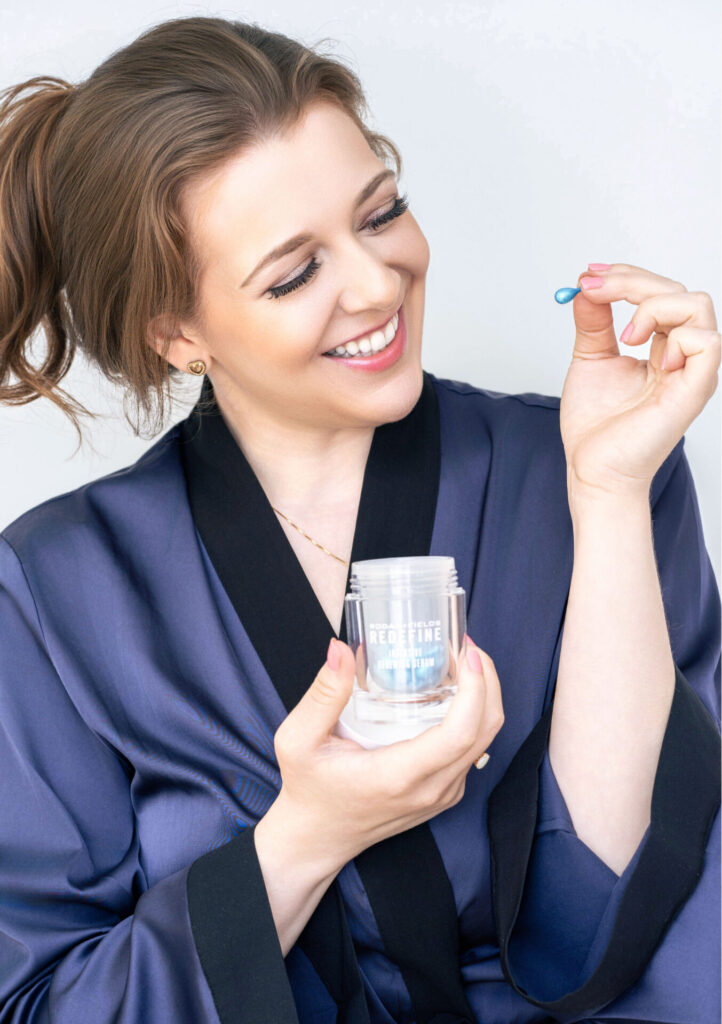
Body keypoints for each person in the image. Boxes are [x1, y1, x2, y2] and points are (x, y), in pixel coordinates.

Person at [0, 15, 719, 1024]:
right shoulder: (55, 589)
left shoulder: (586, 467)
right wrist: (305, 836)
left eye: (379, 214)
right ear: (177, 333)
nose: (378, 283)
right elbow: (44, 1003)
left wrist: (605, 496)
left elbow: (638, 895)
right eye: (293, 274)